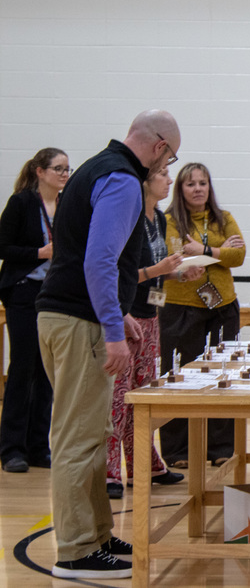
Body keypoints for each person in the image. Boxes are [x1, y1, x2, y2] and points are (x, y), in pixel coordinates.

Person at [36, 110, 181, 580]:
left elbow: (83, 253)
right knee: (78, 438)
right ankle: (76, 552)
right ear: (159, 147)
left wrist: (116, 313)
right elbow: (99, 259)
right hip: (77, 321)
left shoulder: (96, 168)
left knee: (92, 433)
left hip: (72, 316)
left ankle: (98, 535)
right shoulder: (120, 179)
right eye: (171, 156)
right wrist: (113, 329)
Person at [105, 164, 195, 499]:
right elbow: (116, 271)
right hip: (125, 316)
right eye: (163, 176)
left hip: (151, 315)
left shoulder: (158, 218)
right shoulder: (128, 219)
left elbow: (156, 271)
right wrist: (158, 270)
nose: (169, 181)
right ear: (146, 182)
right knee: (118, 398)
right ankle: (111, 471)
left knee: (142, 397)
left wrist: (176, 275)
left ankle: (146, 462)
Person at [158, 162, 245, 469]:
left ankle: (220, 446)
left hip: (223, 307)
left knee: (224, 375)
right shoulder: (167, 220)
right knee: (180, 376)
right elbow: (176, 257)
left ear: (210, 187)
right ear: (180, 189)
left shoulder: (224, 218)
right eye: (190, 184)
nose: (197, 189)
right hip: (180, 307)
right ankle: (177, 450)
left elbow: (239, 256)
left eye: (203, 183)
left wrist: (204, 248)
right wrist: (219, 251)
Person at [0, 148, 69, 473]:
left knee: (47, 371)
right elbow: (4, 247)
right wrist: (38, 252)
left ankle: (39, 446)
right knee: (23, 367)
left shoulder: (67, 205)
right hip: (25, 291)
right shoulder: (23, 202)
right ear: (40, 172)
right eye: (58, 169)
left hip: (53, 294)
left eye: (67, 169)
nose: (64, 175)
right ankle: (12, 448)